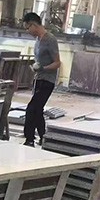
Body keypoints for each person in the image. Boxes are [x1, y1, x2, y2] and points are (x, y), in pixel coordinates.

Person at [22, 12, 61, 147]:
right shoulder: (38, 40)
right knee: (38, 110)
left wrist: (42, 68)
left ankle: (29, 139)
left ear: (34, 25)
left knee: (31, 109)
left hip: (47, 81)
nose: (27, 31)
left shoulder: (50, 39)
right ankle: (44, 137)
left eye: (28, 28)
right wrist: (36, 68)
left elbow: (57, 63)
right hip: (39, 79)